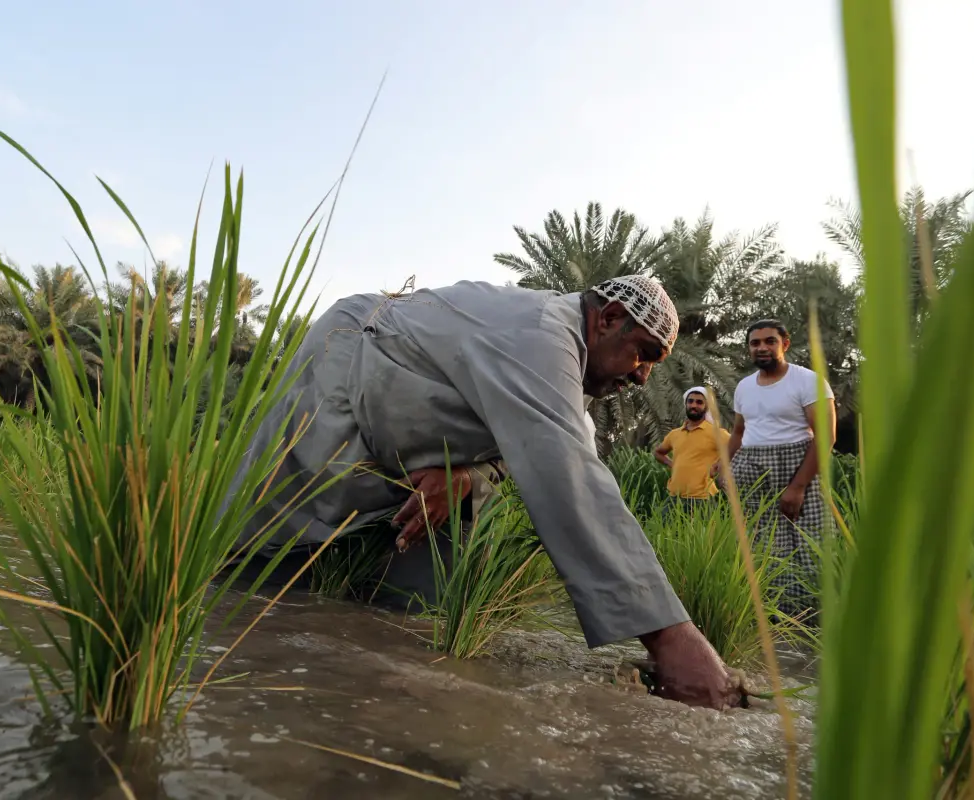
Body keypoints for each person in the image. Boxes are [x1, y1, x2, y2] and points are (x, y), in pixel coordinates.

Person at [222, 275, 744, 710]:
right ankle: (232, 623)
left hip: (405, 453)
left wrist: (467, 478)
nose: (643, 376)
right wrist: (671, 638)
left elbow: (540, 462)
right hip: (347, 356)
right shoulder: (539, 335)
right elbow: (567, 478)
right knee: (272, 519)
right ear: (607, 319)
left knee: (408, 593)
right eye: (643, 353)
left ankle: (362, 681)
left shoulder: (565, 389)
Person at [727, 319, 836, 617]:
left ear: (784, 344)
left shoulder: (807, 381)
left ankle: (812, 615)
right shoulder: (744, 387)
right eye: (755, 343)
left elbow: (826, 435)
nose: (761, 347)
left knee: (810, 539)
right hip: (752, 465)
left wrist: (797, 487)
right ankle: (771, 612)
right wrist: (723, 465)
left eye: (769, 341)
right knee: (760, 540)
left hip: (797, 464)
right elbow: (738, 432)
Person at [653, 386, 730, 510]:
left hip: (702, 500)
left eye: (699, 402)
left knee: (704, 530)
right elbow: (658, 453)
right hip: (674, 497)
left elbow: (738, 447)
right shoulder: (675, 434)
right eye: (690, 401)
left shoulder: (717, 433)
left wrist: (719, 465)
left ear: (707, 407)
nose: (694, 405)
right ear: (686, 404)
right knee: (662, 529)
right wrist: (672, 463)